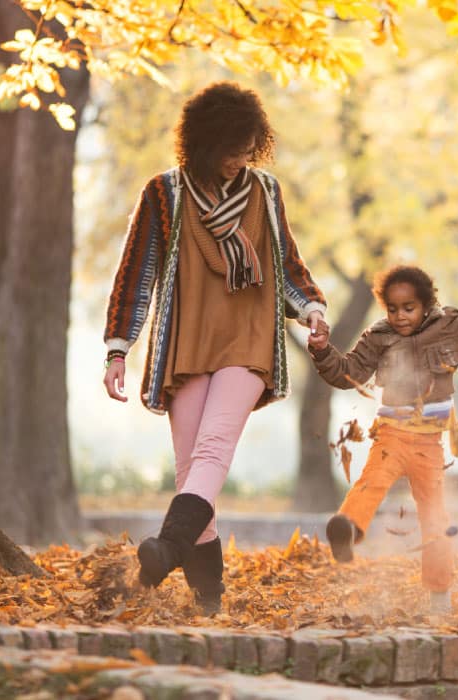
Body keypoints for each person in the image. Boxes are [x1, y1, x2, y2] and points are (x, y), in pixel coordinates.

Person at [102, 81, 328, 615]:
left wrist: (312, 308)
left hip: (248, 339)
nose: (239, 161)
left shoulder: (266, 193)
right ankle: (208, 598)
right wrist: (118, 349)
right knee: (191, 473)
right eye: (230, 151)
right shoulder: (165, 194)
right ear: (202, 144)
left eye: (248, 150)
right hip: (186, 342)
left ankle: (167, 547)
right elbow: (137, 274)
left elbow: (288, 264)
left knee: (212, 451)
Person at [307, 258, 458, 613]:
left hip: (429, 445)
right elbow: (346, 373)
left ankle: (440, 594)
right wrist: (321, 350)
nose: (400, 316)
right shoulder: (379, 337)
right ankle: (346, 528)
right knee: (371, 481)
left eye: (408, 308)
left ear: (426, 305)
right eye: (392, 309)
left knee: (435, 516)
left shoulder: (451, 327)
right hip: (391, 435)